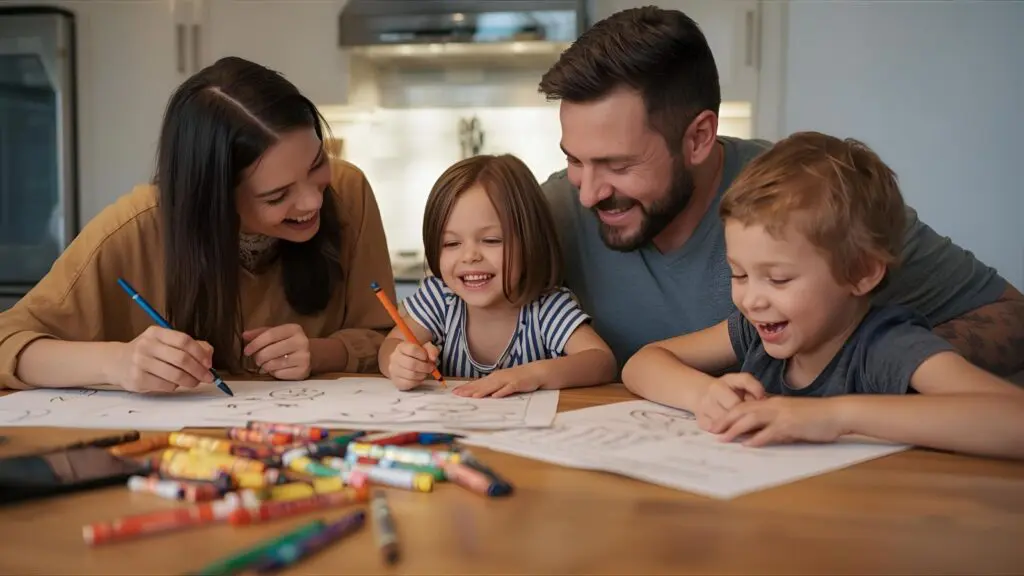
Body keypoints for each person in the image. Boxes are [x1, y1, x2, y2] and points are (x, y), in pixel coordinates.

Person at [538, 6, 1024, 377]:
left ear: (698, 139)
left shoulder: (804, 198)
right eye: (574, 160)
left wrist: (885, 361)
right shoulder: (554, 210)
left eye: (619, 165)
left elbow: (1012, 316)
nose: (588, 194)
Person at [0, 56, 396, 394]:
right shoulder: (137, 227)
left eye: (317, 165)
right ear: (213, 197)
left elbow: (386, 337)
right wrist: (116, 361)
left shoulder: (348, 191)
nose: (313, 201)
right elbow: (8, 341)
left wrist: (321, 351)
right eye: (277, 196)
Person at [621, 132, 1024, 460]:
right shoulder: (755, 330)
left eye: (778, 279)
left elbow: (1014, 420)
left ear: (861, 273)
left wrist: (832, 416)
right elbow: (643, 363)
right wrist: (703, 394)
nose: (752, 300)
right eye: (739, 274)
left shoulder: (887, 346)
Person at [378, 154, 617, 398]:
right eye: (451, 243)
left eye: (491, 240)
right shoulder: (440, 298)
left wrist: (530, 375)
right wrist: (400, 363)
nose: (469, 256)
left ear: (531, 241)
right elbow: (390, 345)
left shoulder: (546, 307)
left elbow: (601, 360)